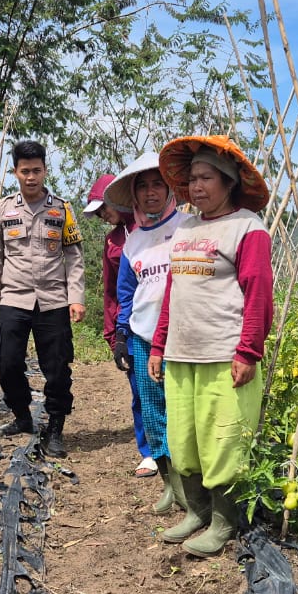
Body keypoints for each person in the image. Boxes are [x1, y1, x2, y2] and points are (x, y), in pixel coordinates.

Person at [148, 136, 274, 557]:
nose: (196, 187)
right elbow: (172, 291)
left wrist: (248, 351)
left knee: (223, 442)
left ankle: (224, 521)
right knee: (185, 440)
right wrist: (158, 345)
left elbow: (258, 294)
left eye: (205, 178)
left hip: (223, 355)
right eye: (192, 179)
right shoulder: (187, 227)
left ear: (229, 182)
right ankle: (197, 511)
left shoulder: (247, 229)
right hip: (183, 353)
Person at [0, 140, 85, 457]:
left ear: (44, 171)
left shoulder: (62, 209)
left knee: (57, 368)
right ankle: (23, 416)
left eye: (36, 170)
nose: (31, 177)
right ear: (15, 172)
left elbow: (74, 257)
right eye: (24, 171)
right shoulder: (1, 211)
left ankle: (55, 428)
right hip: (14, 297)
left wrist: (76, 297)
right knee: (7, 362)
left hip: (53, 300)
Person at [106, 152, 188, 515]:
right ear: (135, 196)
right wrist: (122, 336)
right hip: (143, 340)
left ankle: (192, 488)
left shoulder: (188, 229)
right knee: (154, 413)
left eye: (158, 184)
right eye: (143, 187)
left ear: (170, 189)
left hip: (185, 339)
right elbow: (127, 294)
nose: (151, 193)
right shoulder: (133, 243)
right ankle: (171, 486)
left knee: (185, 413)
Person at [82, 175, 157, 477]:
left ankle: (175, 449)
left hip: (163, 322)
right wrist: (113, 334)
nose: (102, 215)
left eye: (104, 207)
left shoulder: (153, 228)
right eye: (97, 211)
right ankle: (149, 452)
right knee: (140, 390)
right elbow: (111, 290)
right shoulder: (113, 240)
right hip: (132, 326)